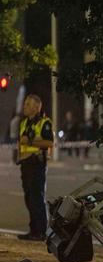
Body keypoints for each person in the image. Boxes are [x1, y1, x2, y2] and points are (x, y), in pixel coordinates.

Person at [16, 94, 53, 241]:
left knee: (37, 199)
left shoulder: (44, 123)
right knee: (28, 198)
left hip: (37, 165)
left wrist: (30, 141)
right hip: (25, 165)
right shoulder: (24, 123)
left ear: (37, 107)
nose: (24, 106)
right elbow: (21, 143)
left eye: (27, 104)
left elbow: (49, 143)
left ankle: (42, 231)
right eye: (25, 103)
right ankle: (33, 230)